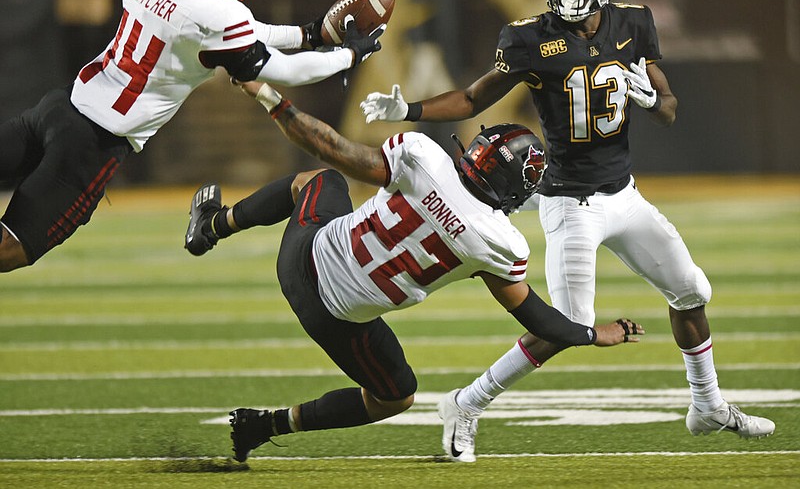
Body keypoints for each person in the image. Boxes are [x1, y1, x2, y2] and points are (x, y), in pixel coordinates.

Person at [359, 0, 775, 461]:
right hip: (569, 202)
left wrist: (652, 99)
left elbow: (670, 107)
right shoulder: (531, 38)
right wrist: (409, 110)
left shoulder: (633, 24)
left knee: (692, 291)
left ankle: (708, 404)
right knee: (566, 327)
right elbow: (471, 97)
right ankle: (466, 401)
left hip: (624, 196)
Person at [183, 79, 643, 462]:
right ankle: (268, 424)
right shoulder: (500, 244)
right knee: (394, 396)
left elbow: (329, 146)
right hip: (336, 319)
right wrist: (594, 334)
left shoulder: (422, 155)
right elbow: (540, 320)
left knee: (318, 180)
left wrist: (270, 97)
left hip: (301, 258)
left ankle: (214, 225)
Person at [0, 0, 381, 273]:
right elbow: (284, 70)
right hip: (92, 143)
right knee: (12, 247)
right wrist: (347, 56)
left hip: (59, 106)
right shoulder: (208, 18)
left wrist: (308, 34)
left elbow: (244, 33)